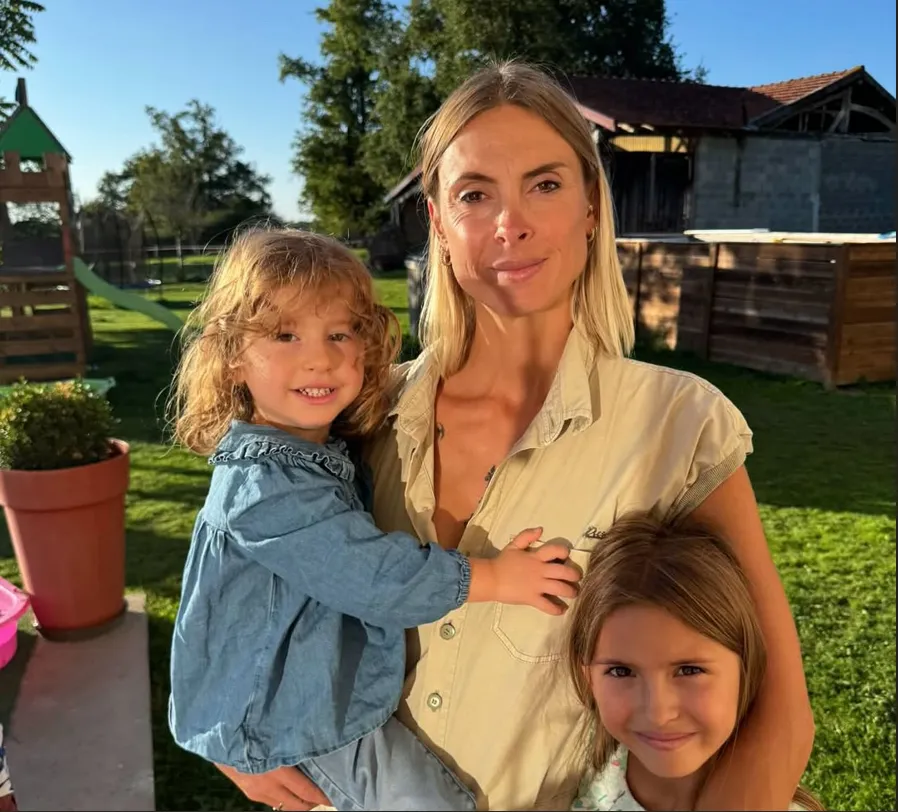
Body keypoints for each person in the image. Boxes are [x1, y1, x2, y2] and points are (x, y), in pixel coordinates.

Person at [215, 60, 815, 811]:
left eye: (545, 184)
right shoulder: (355, 410)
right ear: (438, 221)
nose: (511, 223)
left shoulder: (680, 424)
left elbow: (778, 710)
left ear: (591, 205)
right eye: (475, 194)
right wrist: (228, 735)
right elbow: (240, 566)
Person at [167, 228, 581, 811]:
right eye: (285, 335)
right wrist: (494, 578)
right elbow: (369, 576)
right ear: (233, 356)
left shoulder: (310, 455)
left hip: (316, 703)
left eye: (340, 333)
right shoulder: (267, 487)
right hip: (298, 719)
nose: (320, 357)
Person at [565, 514, 823, 811]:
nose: (658, 713)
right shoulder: (577, 780)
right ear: (588, 678)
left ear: (745, 668)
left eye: (689, 670)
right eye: (621, 671)